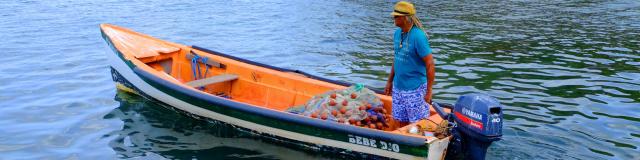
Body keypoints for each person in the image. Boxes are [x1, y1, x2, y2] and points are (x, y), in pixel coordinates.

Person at [384, 1, 435, 126]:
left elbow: (430, 64)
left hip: (415, 90)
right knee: (400, 121)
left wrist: (429, 91)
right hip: (398, 87)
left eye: (396, 16)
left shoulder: (418, 36)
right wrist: (390, 81)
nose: (393, 18)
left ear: (406, 18)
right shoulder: (397, 33)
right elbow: (396, 58)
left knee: (418, 124)